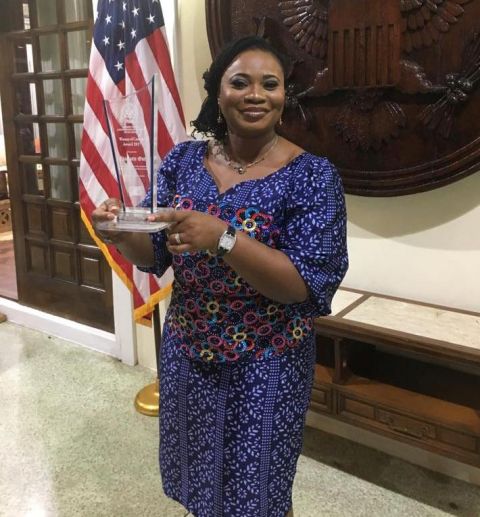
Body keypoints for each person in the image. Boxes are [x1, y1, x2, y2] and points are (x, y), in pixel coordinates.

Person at [92, 36, 348, 517]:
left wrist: (224, 237)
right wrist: (116, 231)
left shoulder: (313, 177)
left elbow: (306, 285)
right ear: (217, 93)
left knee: (261, 490)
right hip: (190, 351)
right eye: (240, 82)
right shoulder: (182, 163)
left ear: (283, 96)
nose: (256, 94)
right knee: (199, 479)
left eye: (270, 84)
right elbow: (152, 253)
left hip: (268, 358)